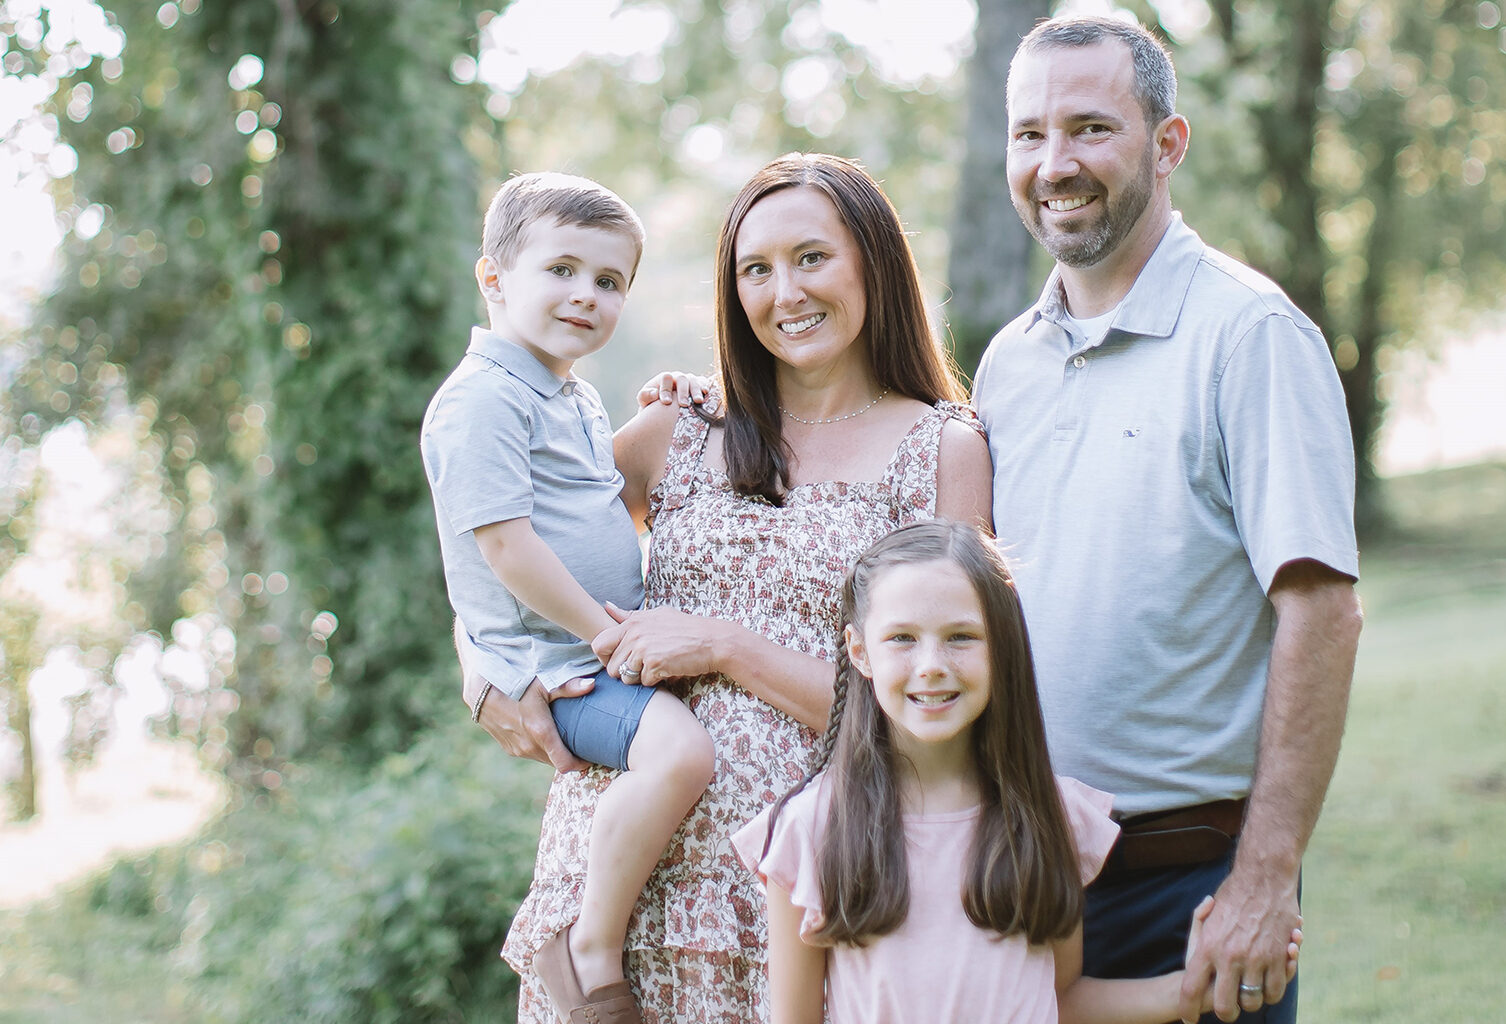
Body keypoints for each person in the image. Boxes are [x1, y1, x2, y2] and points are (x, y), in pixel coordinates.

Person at [478, 152, 992, 1023]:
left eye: (812, 257)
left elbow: (940, 713)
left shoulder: (942, 450)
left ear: (874, 261)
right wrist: (481, 667)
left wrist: (724, 646)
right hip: (613, 903)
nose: (784, 292)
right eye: (756, 269)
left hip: (807, 901)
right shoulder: (680, 427)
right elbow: (495, 534)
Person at [973, 16, 1364, 1024]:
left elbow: (1320, 613)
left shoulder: (1251, 336)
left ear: (1167, 142)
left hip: (1187, 886)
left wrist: (1262, 875)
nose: (1054, 164)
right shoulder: (1006, 364)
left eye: (1090, 128)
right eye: (1028, 135)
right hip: (1019, 883)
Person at [732, 521, 1301, 1024]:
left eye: (960, 637)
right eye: (902, 638)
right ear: (859, 652)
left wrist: (1191, 988)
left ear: (1000, 647)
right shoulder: (810, 830)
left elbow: (1063, 999)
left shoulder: (1050, 816)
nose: (931, 666)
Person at [419, 172, 717, 1023]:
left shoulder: (570, 393)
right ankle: (585, 943)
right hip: (562, 668)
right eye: (562, 269)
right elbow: (506, 548)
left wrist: (677, 396)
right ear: (494, 278)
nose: (586, 294)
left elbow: (599, 494)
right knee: (682, 756)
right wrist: (608, 635)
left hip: (593, 652)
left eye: (609, 280)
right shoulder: (480, 402)